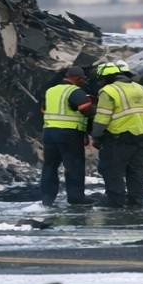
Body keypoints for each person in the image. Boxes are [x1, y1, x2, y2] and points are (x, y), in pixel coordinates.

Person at [90, 59, 143, 209]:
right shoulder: (142, 89)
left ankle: (116, 202)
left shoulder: (109, 91)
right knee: (136, 170)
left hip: (121, 137)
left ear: (106, 77)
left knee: (112, 169)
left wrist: (97, 136)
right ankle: (136, 201)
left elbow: (102, 118)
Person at [38, 66, 96, 207]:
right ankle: (76, 199)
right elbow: (86, 108)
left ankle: (47, 199)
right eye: (83, 80)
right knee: (74, 166)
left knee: (50, 166)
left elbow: (43, 109)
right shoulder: (75, 91)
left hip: (49, 132)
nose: (84, 83)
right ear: (78, 79)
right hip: (69, 133)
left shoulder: (51, 91)